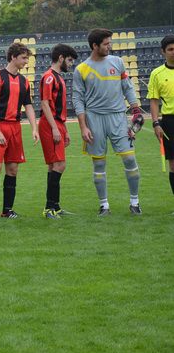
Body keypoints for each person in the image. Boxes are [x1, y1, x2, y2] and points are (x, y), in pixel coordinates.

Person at [73, 28, 143, 216]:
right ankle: (104, 205)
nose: (109, 46)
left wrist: (135, 109)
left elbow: (127, 87)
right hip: (94, 119)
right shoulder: (81, 69)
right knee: (99, 164)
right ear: (95, 46)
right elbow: (78, 99)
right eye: (106, 44)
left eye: (110, 42)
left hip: (118, 117)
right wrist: (83, 126)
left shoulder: (118, 62)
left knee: (129, 158)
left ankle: (135, 202)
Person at [0, 42, 39, 219]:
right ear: (13, 57)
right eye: (23, 58)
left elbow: (28, 105)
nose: (25, 62)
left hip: (15, 127)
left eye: (27, 58)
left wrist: (34, 128)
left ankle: (7, 210)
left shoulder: (24, 81)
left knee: (13, 169)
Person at [38, 44, 78, 219]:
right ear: (61, 58)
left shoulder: (58, 77)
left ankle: (55, 206)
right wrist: (54, 127)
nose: (70, 64)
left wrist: (65, 129)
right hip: (50, 123)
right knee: (60, 165)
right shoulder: (49, 77)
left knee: (53, 165)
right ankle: (48, 208)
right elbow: (45, 103)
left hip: (57, 123)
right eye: (69, 60)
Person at [147, 35, 174, 203]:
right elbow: (154, 101)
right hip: (170, 121)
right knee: (173, 165)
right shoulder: (156, 74)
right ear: (163, 51)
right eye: (170, 49)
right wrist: (156, 123)